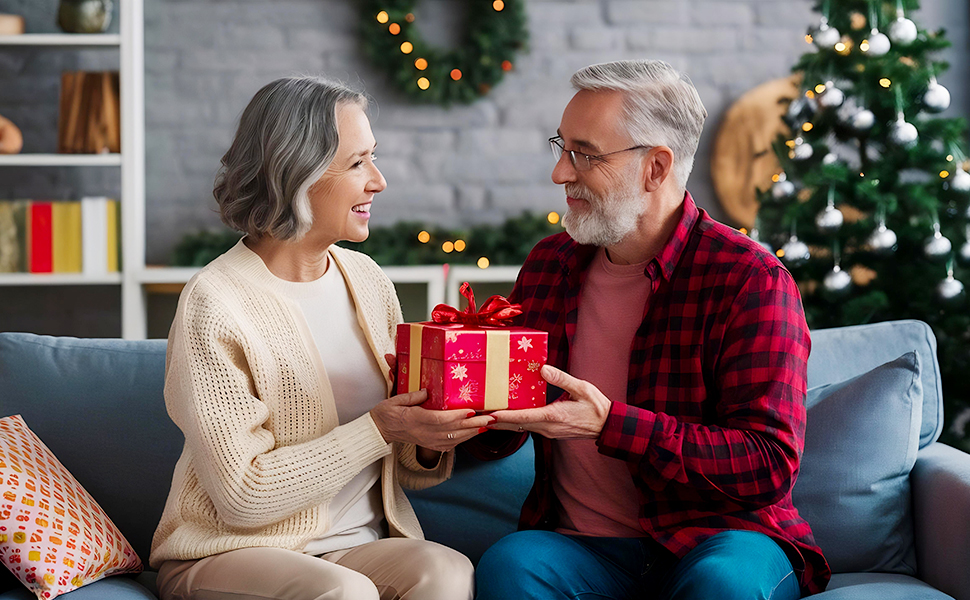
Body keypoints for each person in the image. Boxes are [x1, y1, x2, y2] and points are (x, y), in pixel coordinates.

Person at [469, 60, 831, 599]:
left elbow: (768, 463)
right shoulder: (549, 265)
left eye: (585, 155)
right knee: (511, 564)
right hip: (579, 546)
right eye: (561, 147)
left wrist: (612, 424)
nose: (560, 174)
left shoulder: (749, 279)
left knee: (723, 583)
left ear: (655, 167)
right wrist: (453, 417)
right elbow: (509, 426)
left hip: (721, 538)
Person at [150, 76, 488, 600]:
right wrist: (380, 427)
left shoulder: (369, 281)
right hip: (230, 552)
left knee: (446, 571)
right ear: (296, 173)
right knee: (343, 593)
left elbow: (397, 462)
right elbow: (243, 497)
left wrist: (424, 440)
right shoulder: (215, 301)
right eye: (358, 163)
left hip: (353, 547)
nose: (378, 180)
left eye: (373, 158)